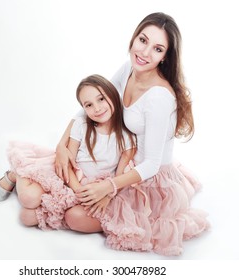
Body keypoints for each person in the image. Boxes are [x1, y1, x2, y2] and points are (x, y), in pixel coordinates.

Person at [55, 12, 210, 256]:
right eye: (143, 40)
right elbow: (91, 104)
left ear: (165, 57)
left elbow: (152, 164)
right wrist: (61, 147)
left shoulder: (159, 97)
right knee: (61, 171)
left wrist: (110, 188)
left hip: (143, 178)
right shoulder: (128, 68)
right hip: (118, 158)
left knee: (74, 217)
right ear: (133, 38)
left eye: (158, 49)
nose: (145, 53)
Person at [0, 74, 136, 229]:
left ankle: (57, 211)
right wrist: (78, 191)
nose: (97, 108)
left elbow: (120, 175)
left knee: (26, 217)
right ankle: (17, 174)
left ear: (112, 94)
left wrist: (107, 194)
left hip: (98, 188)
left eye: (101, 99)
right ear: (83, 109)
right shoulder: (82, 125)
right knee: (28, 198)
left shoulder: (126, 134)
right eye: (88, 105)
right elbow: (67, 164)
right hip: (68, 179)